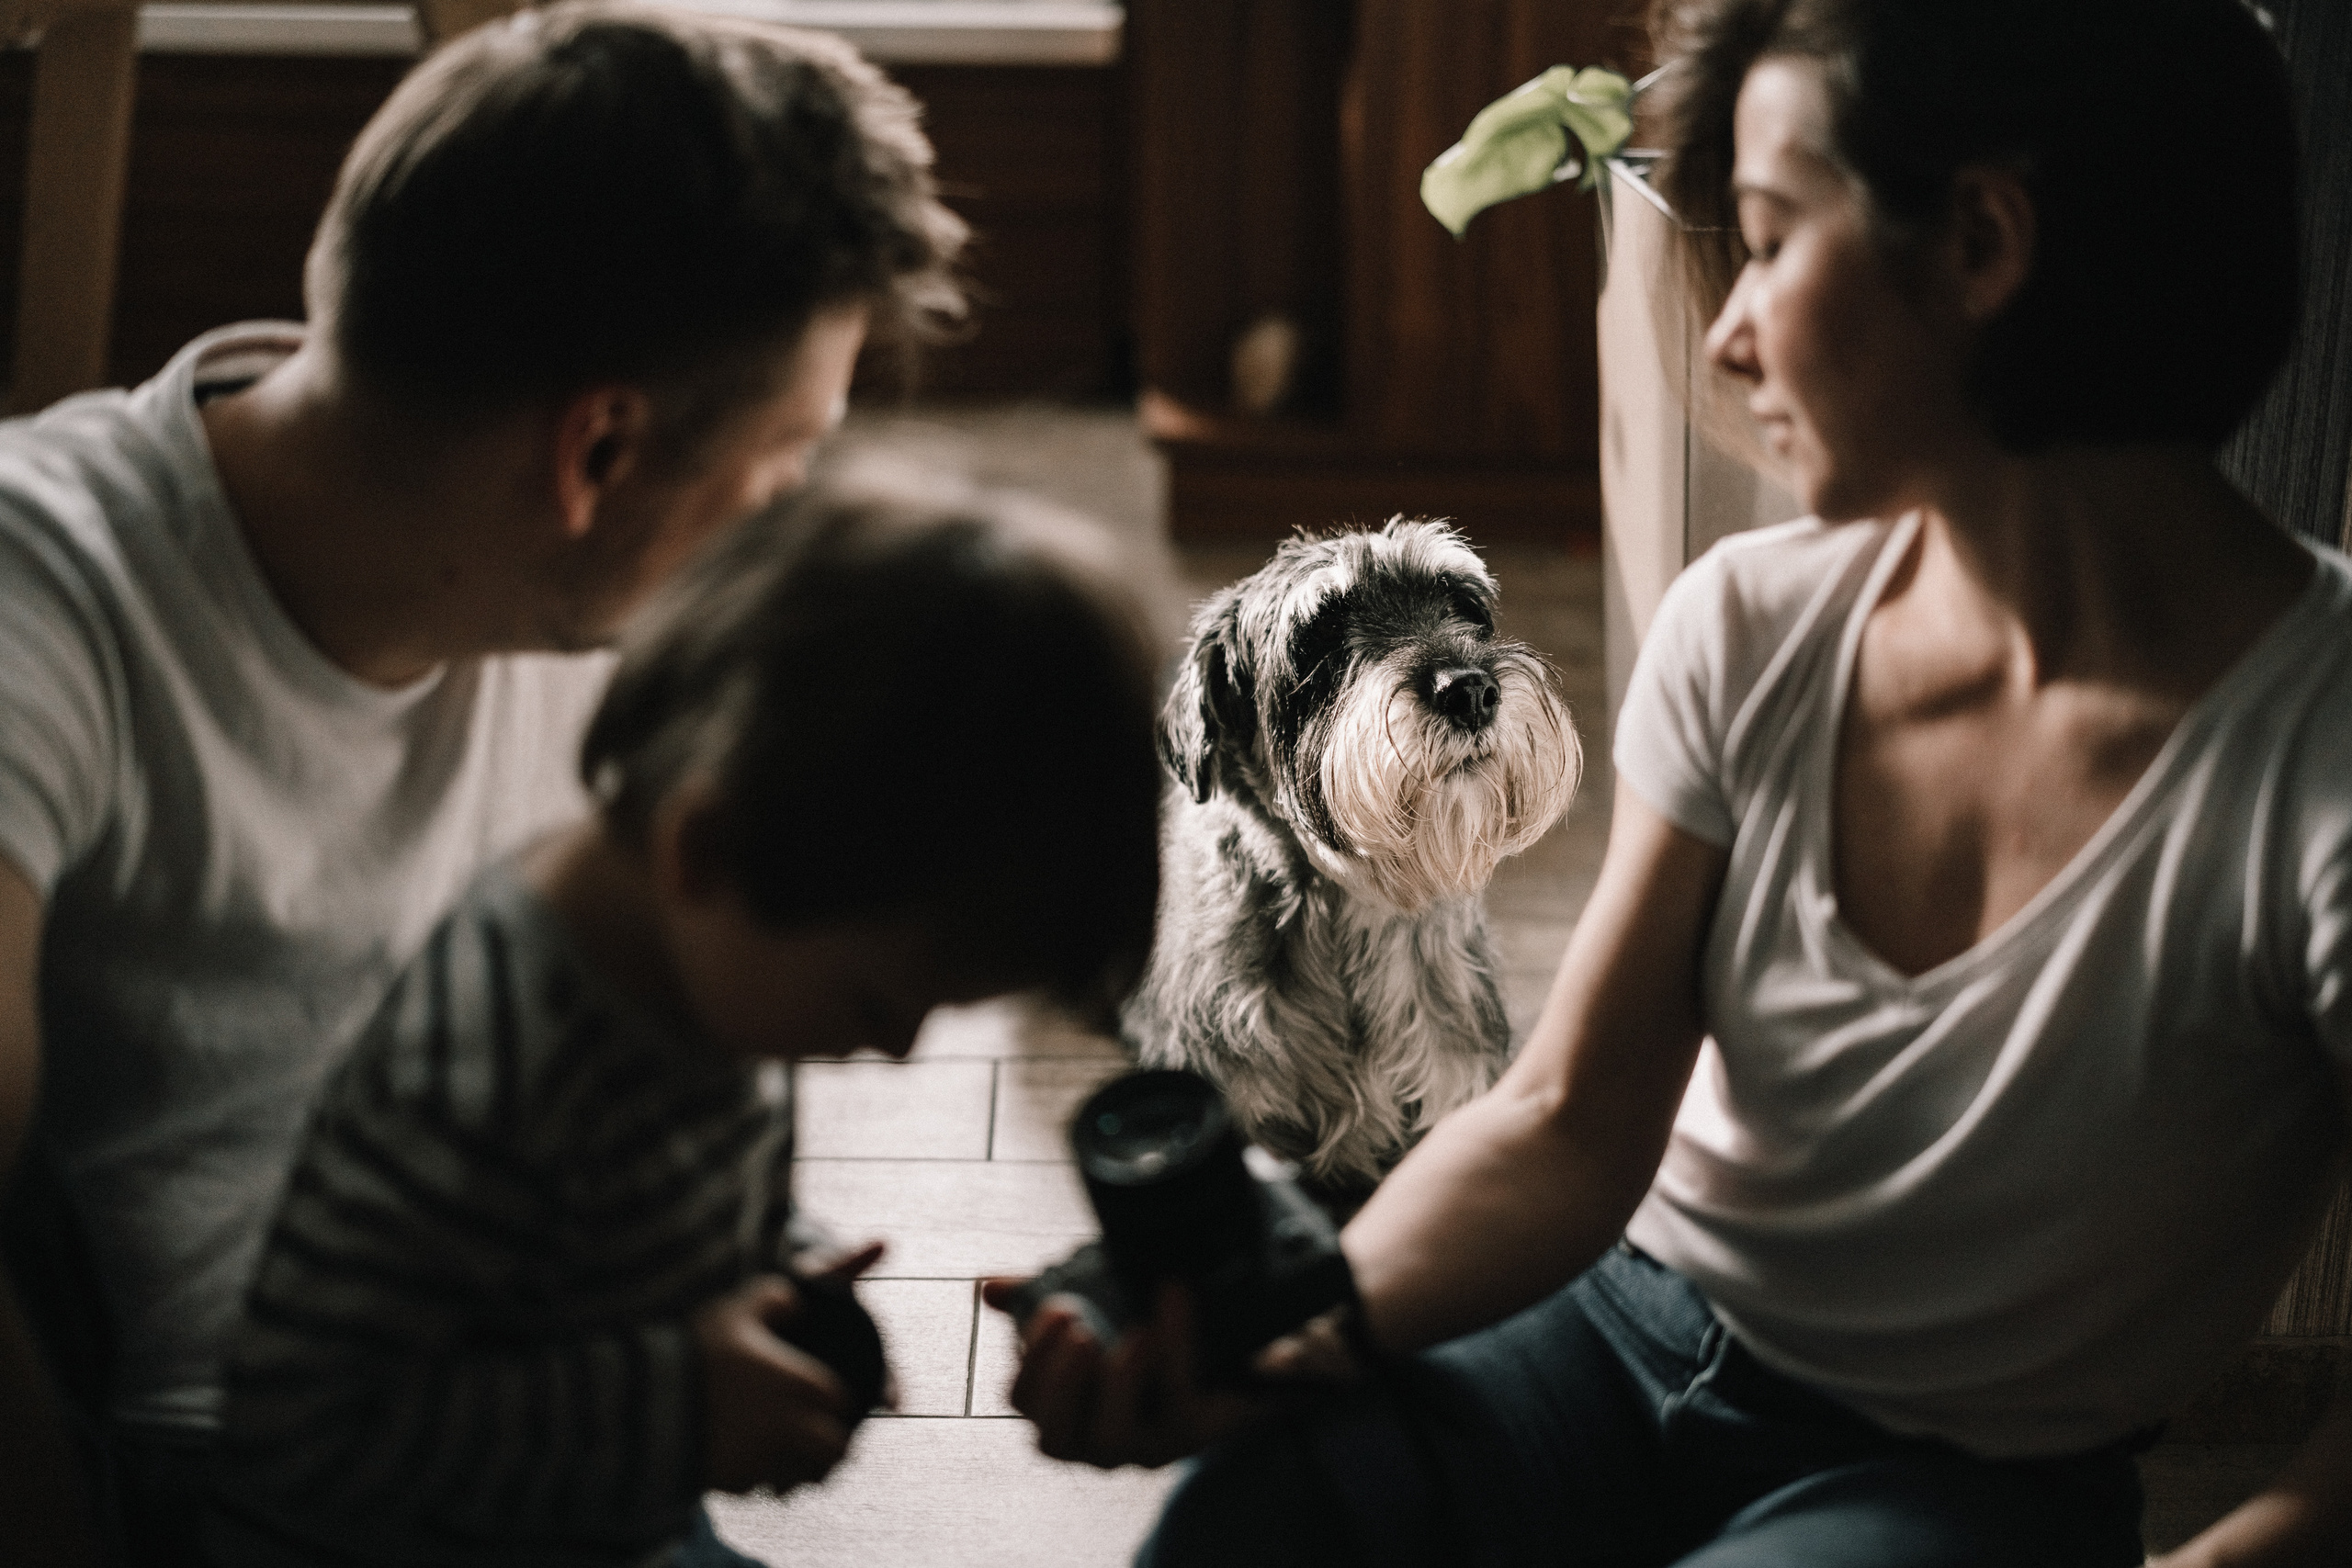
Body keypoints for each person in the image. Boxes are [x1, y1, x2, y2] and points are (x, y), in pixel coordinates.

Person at [994, 0, 2352, 1563]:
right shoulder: (1750, 621)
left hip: (1956, 1466)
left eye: (1769, 242)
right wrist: (1289, 1336)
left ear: (1983, 243)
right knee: (1252, 1523)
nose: (1723, 331)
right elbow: (1570, 1119)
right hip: (1609, 1334)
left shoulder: (2316, 750)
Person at [0, 6, 966, 1563]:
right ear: (596, 457)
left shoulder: (598, 621)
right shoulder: (43, 589)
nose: (782, 520)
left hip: (547, 1404)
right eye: (780, 469)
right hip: (223, 1483)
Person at [203, 474, 1165, 1568]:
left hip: (613, 1515)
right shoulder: (483, 1077)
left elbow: (630, 1217)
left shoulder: (713, 962)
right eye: (876, 1002)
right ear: (702, 851)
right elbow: (298, 1430)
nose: (899, 1050)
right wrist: (676, 1407)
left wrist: (771, 1273)